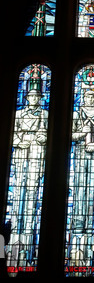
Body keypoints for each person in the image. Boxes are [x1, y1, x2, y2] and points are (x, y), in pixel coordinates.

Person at [6, 88, 48, 269]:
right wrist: (20, 140)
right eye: (31, 96)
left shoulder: (45, 113)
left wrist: (40, 137)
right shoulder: (18, 113)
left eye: (36, 97)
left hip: (37, 155)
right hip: (21, 155)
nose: (33, 99)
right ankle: (14, 234)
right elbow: (12, 134)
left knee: (32, 193)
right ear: (27, 98)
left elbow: (47, 133)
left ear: (40, 99)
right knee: (18, 193)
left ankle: (29, 236)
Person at [69, 90, 94, 265]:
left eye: (93, 97)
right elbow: (70, 135)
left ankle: (91, 225)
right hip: (79, 153)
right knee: (79, 189)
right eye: (87, 96)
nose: (90, 99)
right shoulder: (76, 114)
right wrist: (82, 134)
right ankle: (77, 225)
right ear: (83, 98)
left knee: (92, 189)